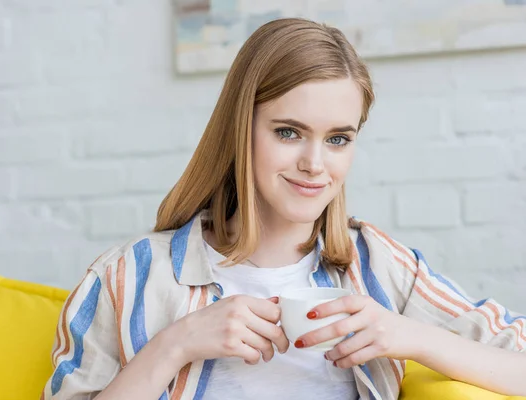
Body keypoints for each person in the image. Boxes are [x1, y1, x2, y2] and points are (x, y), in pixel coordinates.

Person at [41, 18, 526, 400]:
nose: (315, 164)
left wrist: (408, 335)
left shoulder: (377, 265)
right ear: (240, 129)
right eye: (288, 132)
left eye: (338, 139)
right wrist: (176, 344)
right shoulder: (127, 277)